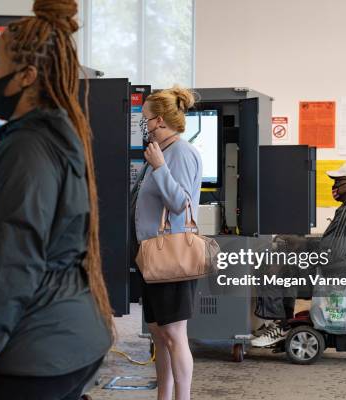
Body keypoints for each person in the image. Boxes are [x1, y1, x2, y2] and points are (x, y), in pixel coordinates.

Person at [0, 1, 113, 399]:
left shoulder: (28, 150)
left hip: (35, 353)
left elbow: (10, 268)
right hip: (67, 340)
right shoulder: (53, 137)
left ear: (27, 75)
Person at [251, 161, 346, 346]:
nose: (334, 186)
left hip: (336, 275)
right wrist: (302, 244)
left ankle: (280, 325)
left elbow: (332, 253)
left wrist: (301, 246)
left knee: (271, 267)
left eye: (338, 181)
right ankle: (281, 322)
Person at [135, 86, 202, 400]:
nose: (143, 124)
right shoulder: (158, 154)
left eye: (145, 119)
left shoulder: (182, 153)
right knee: (159, 334)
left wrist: (160, 168)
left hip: (172, 257)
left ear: (159, 120)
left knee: (174, 334)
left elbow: (181, 203)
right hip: (151, 257)